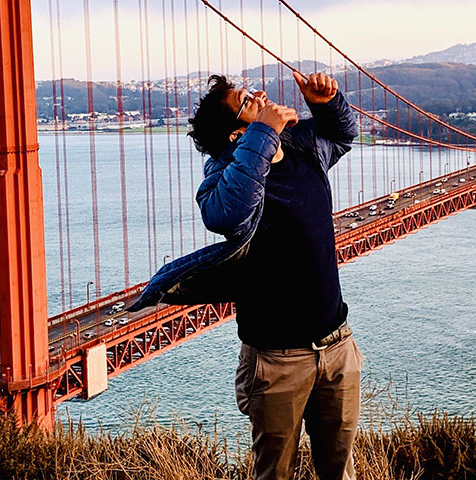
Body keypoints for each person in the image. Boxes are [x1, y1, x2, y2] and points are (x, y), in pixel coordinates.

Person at [128, 71, 360, 480]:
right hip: (276, 359)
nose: (262, 95)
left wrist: (326, 104)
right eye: (249, 100)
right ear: (238, 135)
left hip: (337, 345)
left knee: (340, 473)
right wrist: (265, 132)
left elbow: (341, 137)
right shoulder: (223, 178)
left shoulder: (303, 146)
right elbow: (225, 214)